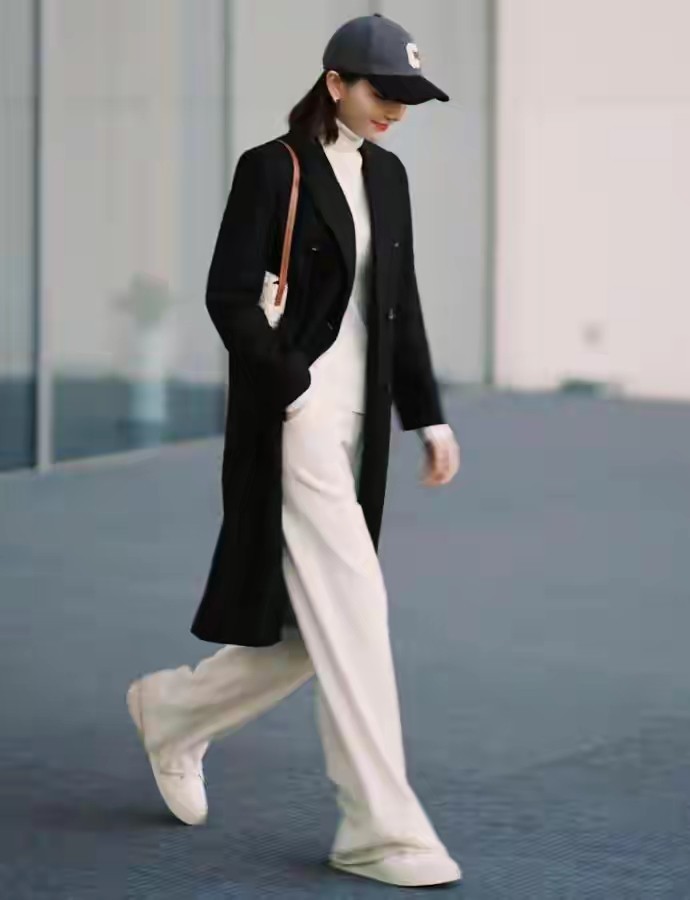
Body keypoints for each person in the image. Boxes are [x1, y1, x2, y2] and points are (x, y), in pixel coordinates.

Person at [126, 13, 462, 889]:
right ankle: (379, 831)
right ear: (335, 83)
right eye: (384, 92)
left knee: (311, 633)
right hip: (296, 418)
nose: (397, 111)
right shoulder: (272, 169)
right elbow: (230, 297)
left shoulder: (388, 177)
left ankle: (172, 712)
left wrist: (428, 416)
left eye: (409, 99)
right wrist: (295, 388)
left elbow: (400, 305)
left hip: (362, 425)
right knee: (354, 605)